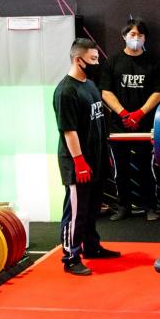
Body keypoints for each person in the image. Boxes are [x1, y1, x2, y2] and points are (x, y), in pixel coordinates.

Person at [54, 37, 120, 276]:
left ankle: (91, 247)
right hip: (77, 162)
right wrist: (79, 161)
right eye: (93, 59)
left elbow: (99, 123)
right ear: (78, 59)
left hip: (97, 158)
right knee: (76, 212)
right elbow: (69, 131)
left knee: (92, 208)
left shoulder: (90, 86)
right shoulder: (66, 91)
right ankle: (70, 257)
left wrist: (106, 154)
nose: (96, 62)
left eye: (97, 58)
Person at [100, 16, 160, 222]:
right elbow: (105, 92)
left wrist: (140, 113)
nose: (136, 38)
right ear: (124, 36)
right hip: (118, 126)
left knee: (146, 168)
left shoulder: (154, 62)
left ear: (145, 38)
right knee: (120, 169)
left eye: (140, 35)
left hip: (146, 124)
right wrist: (123, 113)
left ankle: (150, 206)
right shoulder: (112, 62)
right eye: (132, 34)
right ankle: (123, 207)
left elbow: (158, 92)